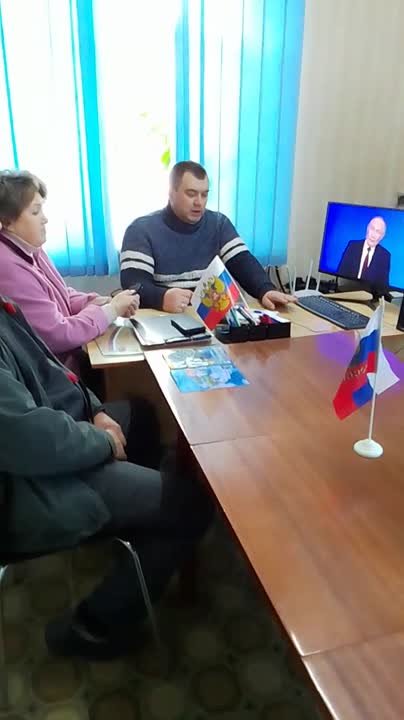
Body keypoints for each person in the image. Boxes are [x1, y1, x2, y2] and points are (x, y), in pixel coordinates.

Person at [0, 295, 213, 660]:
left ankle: (139, 534)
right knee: (192, 505)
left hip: (54, 446)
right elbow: (28, 439)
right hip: (29, 488)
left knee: (140, 416)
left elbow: (50, 371)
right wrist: (101, 441)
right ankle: (93, 627)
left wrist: (96, 410)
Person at [0, 170, 139, 374]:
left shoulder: (30, 247)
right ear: (7, 221)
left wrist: (101, 302)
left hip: (67, 362)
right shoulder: (8, 267)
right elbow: (58, 334)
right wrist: (110, 311)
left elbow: (61, 296)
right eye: (36, 212)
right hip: (53, 375)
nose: (45, 219)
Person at [120, 161, 295, 312]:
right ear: (171, 192)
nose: (199, 202)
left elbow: (242, 262)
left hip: (209, 320)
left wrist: (265, 289)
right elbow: (133, 284)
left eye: (204, 194)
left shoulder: (218, 223)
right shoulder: (141, 230)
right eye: (191, 194)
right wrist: (162, 298)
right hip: (160, 318)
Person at [337, 216, 391, 289]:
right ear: (367, 228)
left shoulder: (385, 256)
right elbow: (340, 272)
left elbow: (383, 286)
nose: (373, 235)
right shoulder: (352, 246)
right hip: (347, 290)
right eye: (372, 229)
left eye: (378, 232)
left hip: (370, 294)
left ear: (382, 236)